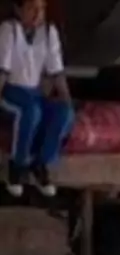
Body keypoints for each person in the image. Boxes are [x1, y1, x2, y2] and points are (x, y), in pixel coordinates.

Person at [0, 0, 74, 198]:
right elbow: (3, 71)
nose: (37, 13)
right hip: (11, 91)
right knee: (31, 111)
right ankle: (17, 166)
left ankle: (40, 164)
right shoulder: (9, 30)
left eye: (41, 9)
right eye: (32, 8)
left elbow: (56, 72)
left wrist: (67, 100)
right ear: (18, 9)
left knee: (64, 113)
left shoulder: (49, 32)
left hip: (34, 93)